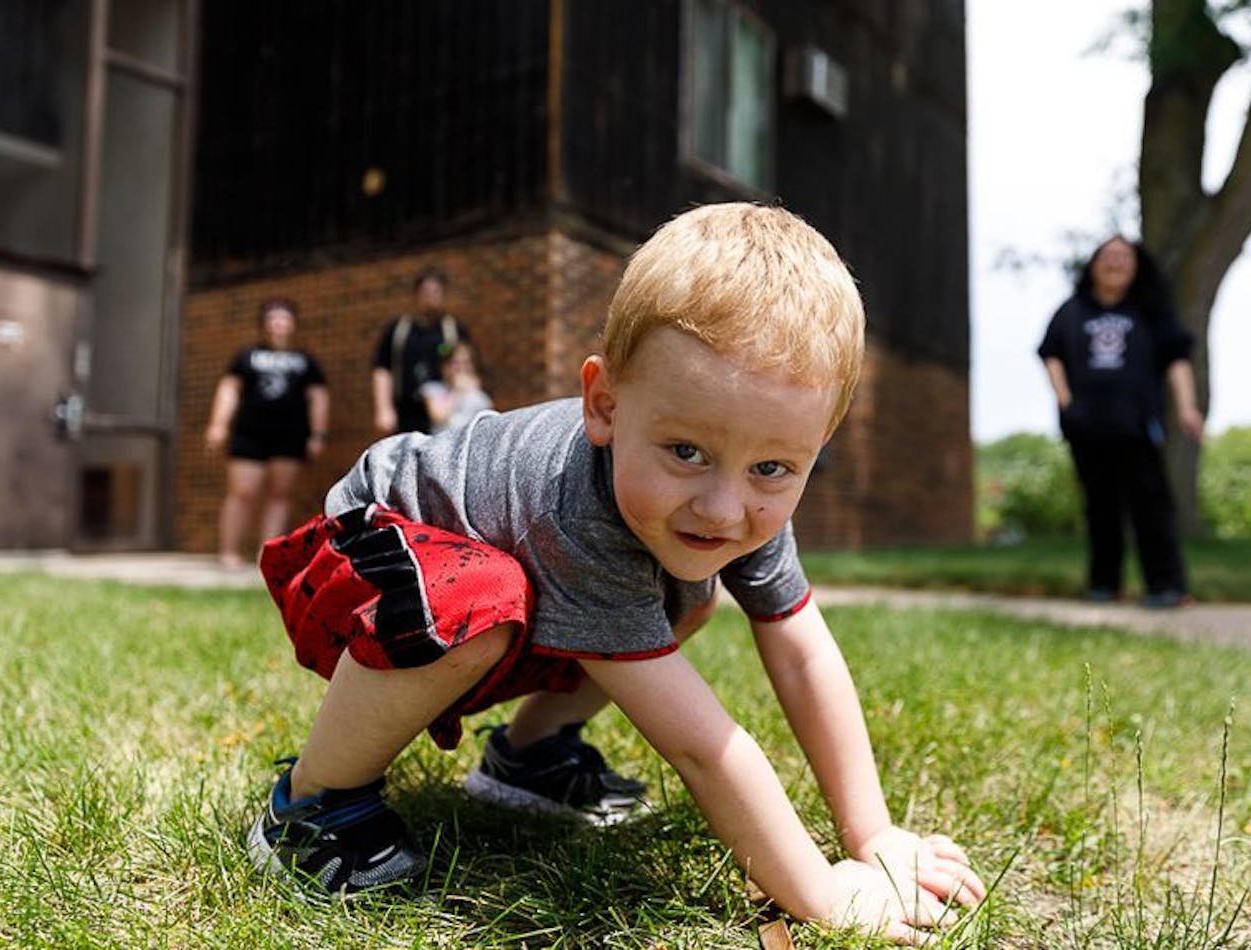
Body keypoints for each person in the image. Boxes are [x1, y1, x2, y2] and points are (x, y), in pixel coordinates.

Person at [246, 203, 985, 941]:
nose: (725, 506)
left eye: (772, 467)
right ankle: (312, 806)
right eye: (686, 451)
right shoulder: (576, 511)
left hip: (476, 587)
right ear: (604, 404)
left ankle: (529, 760)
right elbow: (702, 746)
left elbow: (804, 651)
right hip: (361, 555)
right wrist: (823, 895)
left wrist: (874, 834)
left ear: (813, 447)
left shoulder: (732, 503)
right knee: (480, 595)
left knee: (687, 592)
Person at [1038, 235, 1205, 608]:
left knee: (1151, 506)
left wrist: (1187, 408)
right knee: (1100, 508)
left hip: (1137, 425)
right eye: (1108, 256)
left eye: (1124, 257)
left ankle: (1166, 587)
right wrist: (1065, 401)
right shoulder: (1072, 310)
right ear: (1094, 264)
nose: (1116, 263)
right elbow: (1051, 354)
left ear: (1136, 267)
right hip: (1087, 426)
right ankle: (1104, 585)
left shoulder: (1150, 310)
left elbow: (1177, 361)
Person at [203, 298, 329, 569]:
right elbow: (229, 390)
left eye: (284, 318)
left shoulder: (306, 361)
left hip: (289, 435)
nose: (278, 324)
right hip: (250, 433)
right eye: (273, 318)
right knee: (242, 492)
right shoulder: (246, 356)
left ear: (293, 324)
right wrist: (218, 425)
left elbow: (318, 398)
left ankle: (267, 556)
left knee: (280, 495)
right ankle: (228, 552)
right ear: (263, 324)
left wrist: (318, 435)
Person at [371, 268, 472, 435]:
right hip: (407, 409)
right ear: (416, 295)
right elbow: (382, 370)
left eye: (436, 292)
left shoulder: (454, 330)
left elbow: (468, 367)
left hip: (443, 410)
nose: (431, 297)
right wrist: (383, 408)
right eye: (426, 292)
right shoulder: (398, 330)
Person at [418, 341, 494, 433]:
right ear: (444, 367)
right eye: (455, 362)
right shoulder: (433, 389)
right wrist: (456, 391)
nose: (460, 367)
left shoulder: (477, 391)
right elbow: (438, 418)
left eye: (465, 362)